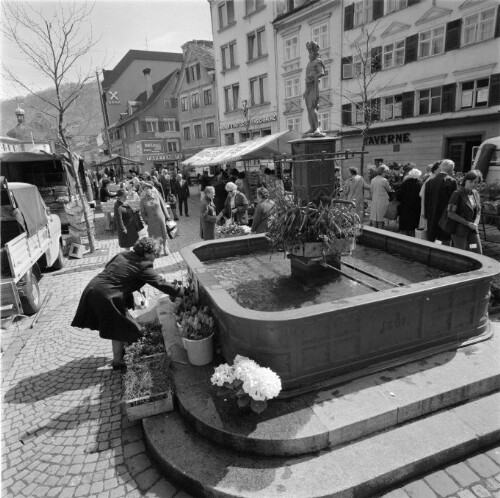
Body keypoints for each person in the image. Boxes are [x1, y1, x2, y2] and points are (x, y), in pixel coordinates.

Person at [71, 237, 183, 369]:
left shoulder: (123, 254)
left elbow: (114, 271)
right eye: (155, 254)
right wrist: (182, 292)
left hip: (93, 288)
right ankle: (118, 362)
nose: (156, 257)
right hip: (106, 296)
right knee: (128, 328)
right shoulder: (144, 266)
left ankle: (118, 359)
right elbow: (161, 283)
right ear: (147, 253)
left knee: (118, 327)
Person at [446, 170, 483, 254]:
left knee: (477, 252)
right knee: (461, 254)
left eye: (476, 182)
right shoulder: (457, 194)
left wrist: (476, 224)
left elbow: (478, 211)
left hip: (473, 229)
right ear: (465, 181)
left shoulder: (476, 193)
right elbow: (450, 213)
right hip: (459, 230)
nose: (473, 184)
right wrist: (467, 223)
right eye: (471, 181)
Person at [424, 159, 458, 244]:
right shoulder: (452, 181)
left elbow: (426, 199)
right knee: (444, 239)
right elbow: (454, 201)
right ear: (451, 169)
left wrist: (426, 214)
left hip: (432, 213)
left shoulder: (430, 181)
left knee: (432, 237)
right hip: (445, 215)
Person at [140, 183, 171, 256]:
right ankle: (157, 249)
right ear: (144, 191)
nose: (147, 190)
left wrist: (167, 216)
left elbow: (163, 206)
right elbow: (142, 212)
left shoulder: (157, 196)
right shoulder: (143, 200)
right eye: (145, 189)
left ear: (151, 189)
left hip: (160, 219)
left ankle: (165, 248)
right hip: (151, 221)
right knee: (154, 236)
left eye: (148, 188)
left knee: (164, 234)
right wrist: (146, 220)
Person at [303, 41, 326, 136]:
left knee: (312, 107)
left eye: (311, 52)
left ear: (315, 52)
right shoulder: (309, 63)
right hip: (308, 87)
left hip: (314, 86)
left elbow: (322, 72)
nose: (309, 54)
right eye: (309, 52)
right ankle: (312, 127)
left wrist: (314, 77)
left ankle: (317, 128)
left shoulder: (318, 61)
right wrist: (305, 91)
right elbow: (306, 78)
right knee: (308, 108)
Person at [395, 168, 422, 237]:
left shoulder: (405, 184)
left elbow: (398, 195)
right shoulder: (420, 184)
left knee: (404, 227)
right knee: (413, 227)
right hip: (416, 208)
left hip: (405, 207)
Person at [418, 161, 441, 229]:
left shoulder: (434, 179)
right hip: (428, 208)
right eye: (440, 169)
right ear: (435, 170)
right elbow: (421, 194)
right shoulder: (431, 179)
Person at [369, 164, 392, 229]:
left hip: (375, 199)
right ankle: (381, 231)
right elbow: (389, 189)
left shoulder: (373, 180)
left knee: (375, 217)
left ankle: (375, 231)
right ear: (384, 172)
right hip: (382, 200)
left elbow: (371, 190)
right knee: (381, 218)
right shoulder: (384, 180)